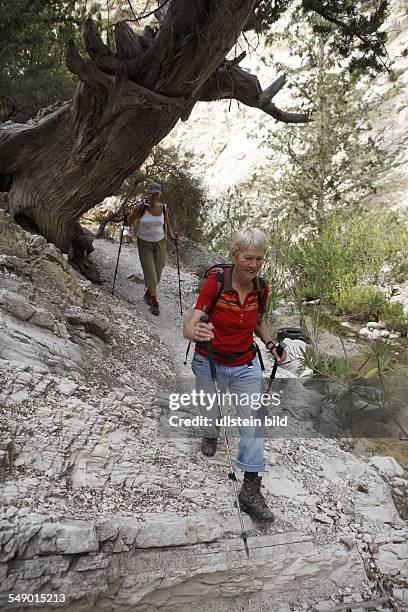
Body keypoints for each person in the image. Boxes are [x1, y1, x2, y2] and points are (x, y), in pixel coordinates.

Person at [183, 227, 287, 522]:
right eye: (248, 258)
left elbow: (258, 321)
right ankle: (210, 434)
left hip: (244, 362)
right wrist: (196, 331)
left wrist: (270, 345)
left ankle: (250, 490)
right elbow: (189, 326)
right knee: (211, 413)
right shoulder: (215, 282)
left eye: (259, 259)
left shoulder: (261, 288)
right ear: (235, 256)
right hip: (210, 360)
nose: (253, 265)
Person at [128, 182, 178, 316]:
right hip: (144, 244)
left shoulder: (164, 208)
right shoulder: (140, 207)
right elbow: (129, 221)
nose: (154, 196)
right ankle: (154, 302)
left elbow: (166, 223)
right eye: (152, 193)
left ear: (159, 194)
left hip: (160, 242)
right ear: (148, 193)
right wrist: (127, 217)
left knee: (159, 269)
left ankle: (148, 293)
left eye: (156, 194)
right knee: (150, 272)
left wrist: (172, 236)